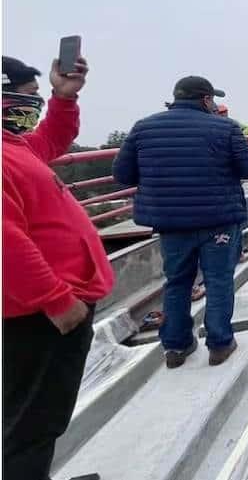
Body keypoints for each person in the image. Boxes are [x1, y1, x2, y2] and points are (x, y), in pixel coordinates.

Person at [2, 55, 111, 480]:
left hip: (52, 305)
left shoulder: (14, 146)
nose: (34, 108)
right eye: (26, 98)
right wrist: (58, 302)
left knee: (42, 418)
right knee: (32, 425)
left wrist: (64, 98)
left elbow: (53, 138)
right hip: (40, 313)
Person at [114, 76, 248, 368]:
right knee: (218, 279)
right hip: (218, 219)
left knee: (177, 281)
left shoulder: (143, 128)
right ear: (206, 100)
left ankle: (176, 348)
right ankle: (220, 344)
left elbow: (123, 175)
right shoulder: (226, 128)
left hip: (171, 223)